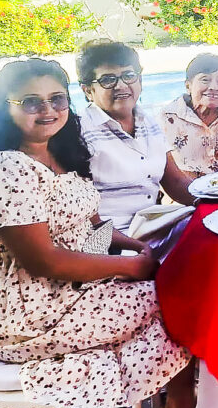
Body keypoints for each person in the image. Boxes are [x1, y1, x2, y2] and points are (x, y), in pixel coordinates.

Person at [0, 59, 218, 408]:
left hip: (69, 289)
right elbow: (45, 260)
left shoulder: (57, 152)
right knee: (180, 300)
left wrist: (133, 246)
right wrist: (133, 269)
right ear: (3, 107)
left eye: (56, 99)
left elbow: (90, 222)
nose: (47, 110)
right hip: (27, 308)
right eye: (30, 102)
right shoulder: (1, 167)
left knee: (184, 287)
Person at [76, 40, 194, 256]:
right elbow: (85, 219)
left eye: (128, 75)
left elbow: (175, 182)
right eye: (108, 80)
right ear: (88, 90)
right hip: (109, 243)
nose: (121, 86)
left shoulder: (147, 121)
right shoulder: (79, 132)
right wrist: (137, 250)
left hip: (152, 227)